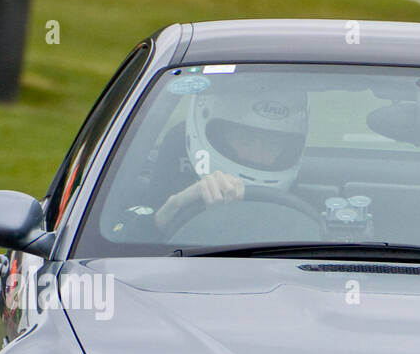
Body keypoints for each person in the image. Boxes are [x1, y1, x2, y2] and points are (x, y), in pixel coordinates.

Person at [126, 74, 313, 238]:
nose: (258, 154)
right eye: (245, 138)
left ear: (290, 148)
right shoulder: (175, 156)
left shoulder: (306, 213)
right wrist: (173, 209)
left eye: (273, 143)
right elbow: (121, 241)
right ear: (218, 135)